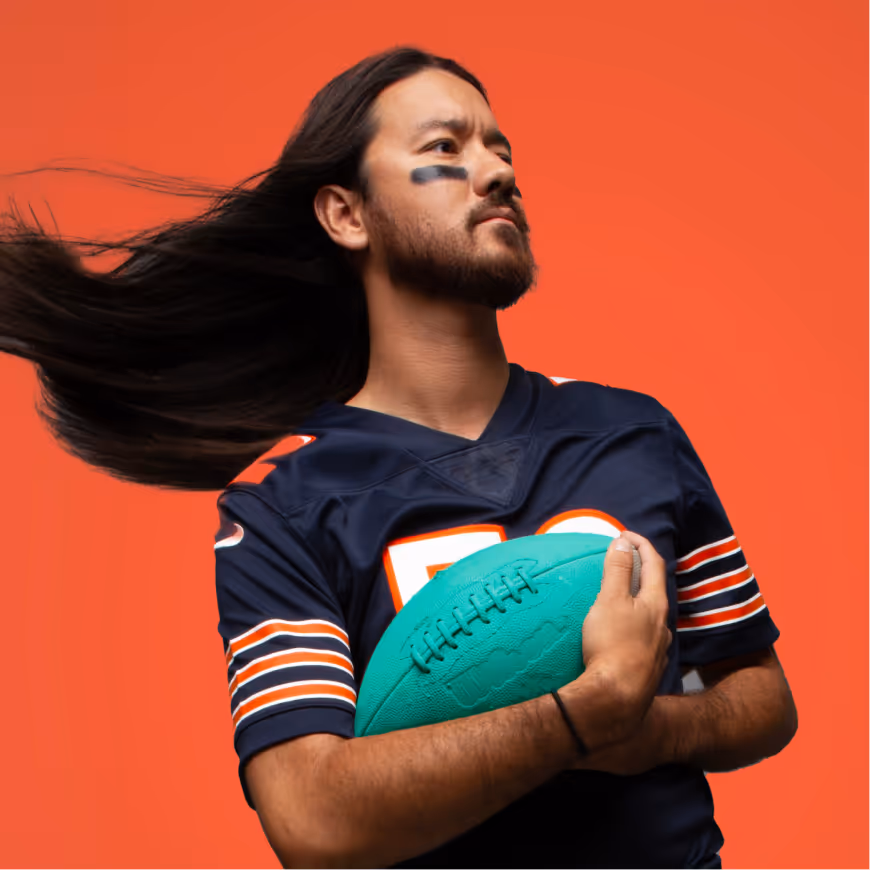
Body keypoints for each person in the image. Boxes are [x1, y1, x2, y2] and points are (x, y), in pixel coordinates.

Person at [0, 47, 797, 868]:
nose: (495, 173)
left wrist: (652, 727)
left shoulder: (634, 432)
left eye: (502, 150)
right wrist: (582, 715)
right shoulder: (282, 505)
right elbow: (312, 821)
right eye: (444, 150)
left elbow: (763, 698)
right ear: (347, 215)